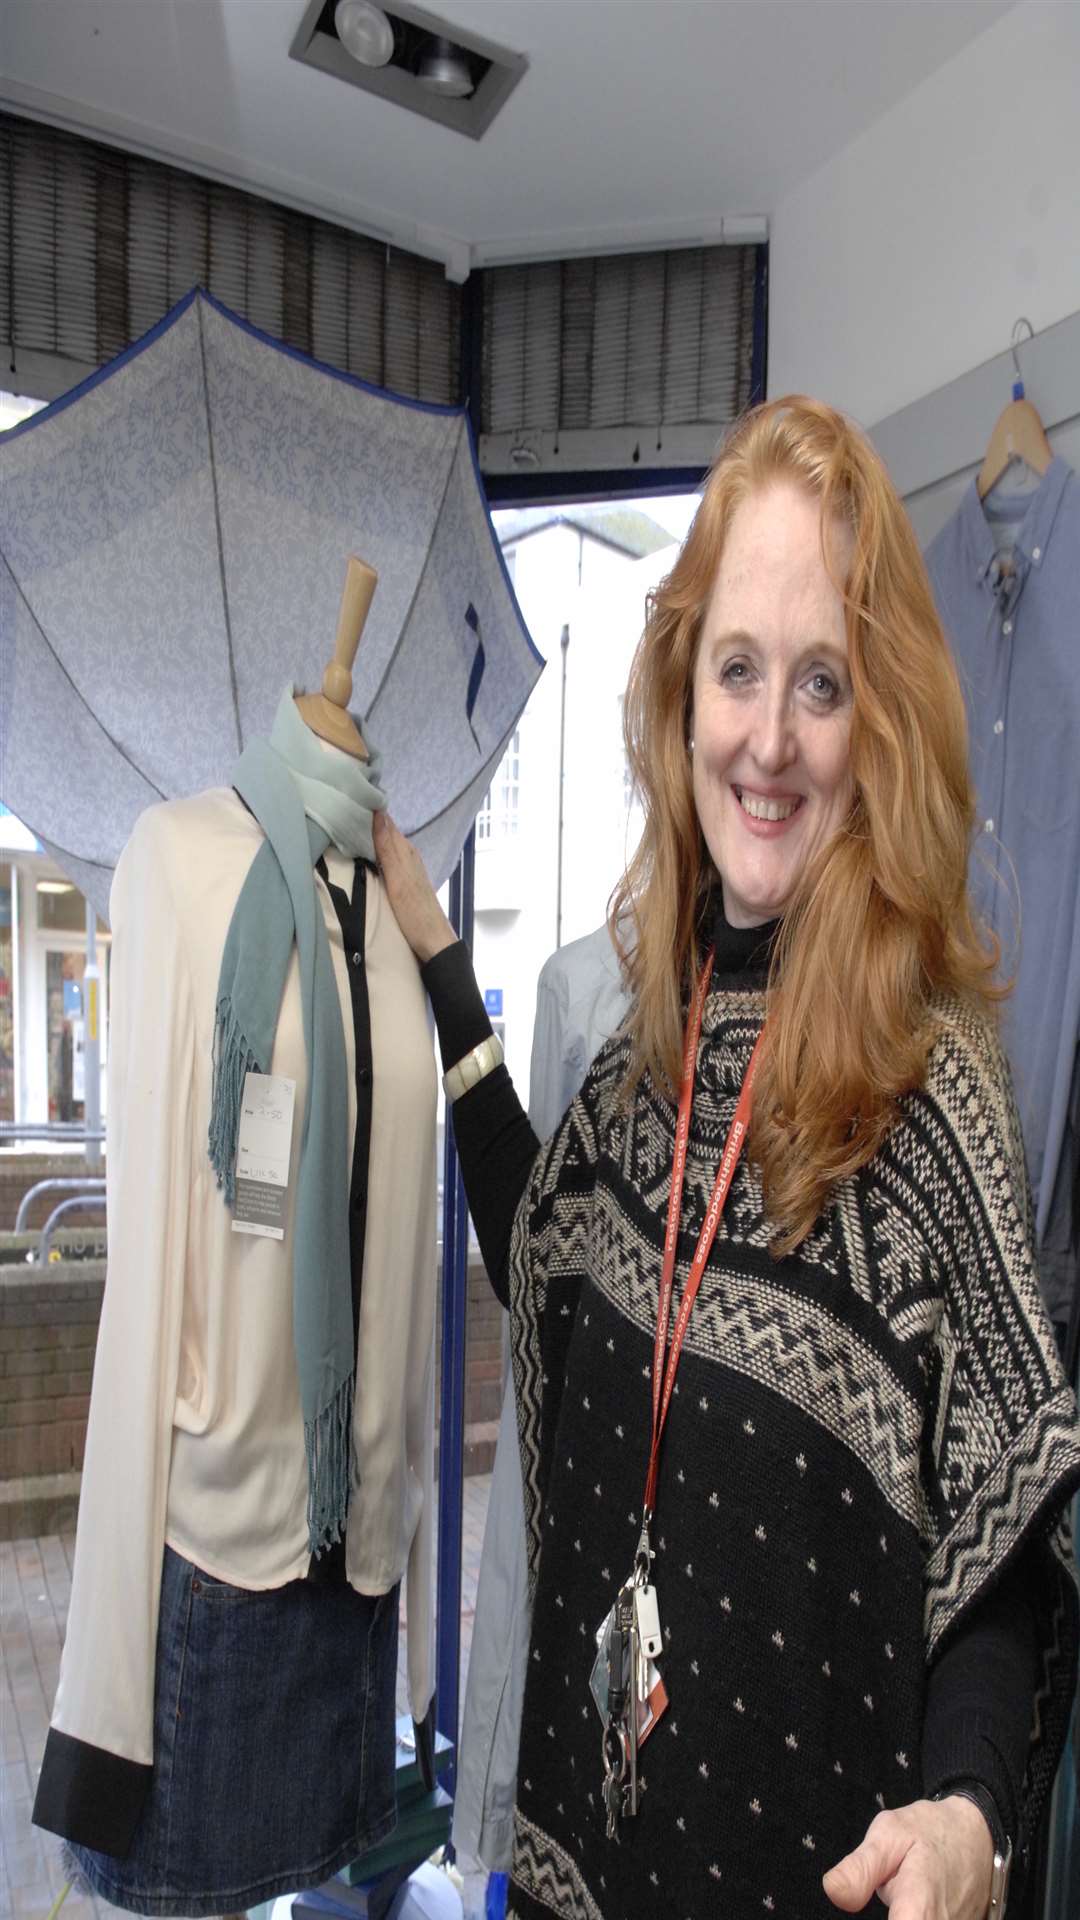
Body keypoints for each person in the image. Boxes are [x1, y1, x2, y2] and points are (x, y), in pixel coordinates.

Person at [374, 397, 1080, 1920]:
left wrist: (970, 1815)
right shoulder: (647, 1034)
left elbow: (1005, 1521)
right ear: (680, 689)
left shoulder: (928, 1079)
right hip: (585, 1870)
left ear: (876, 716)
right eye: (738, 670)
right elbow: (549, 1256)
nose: (768, 738)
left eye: (819, 683)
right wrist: (437, 952)